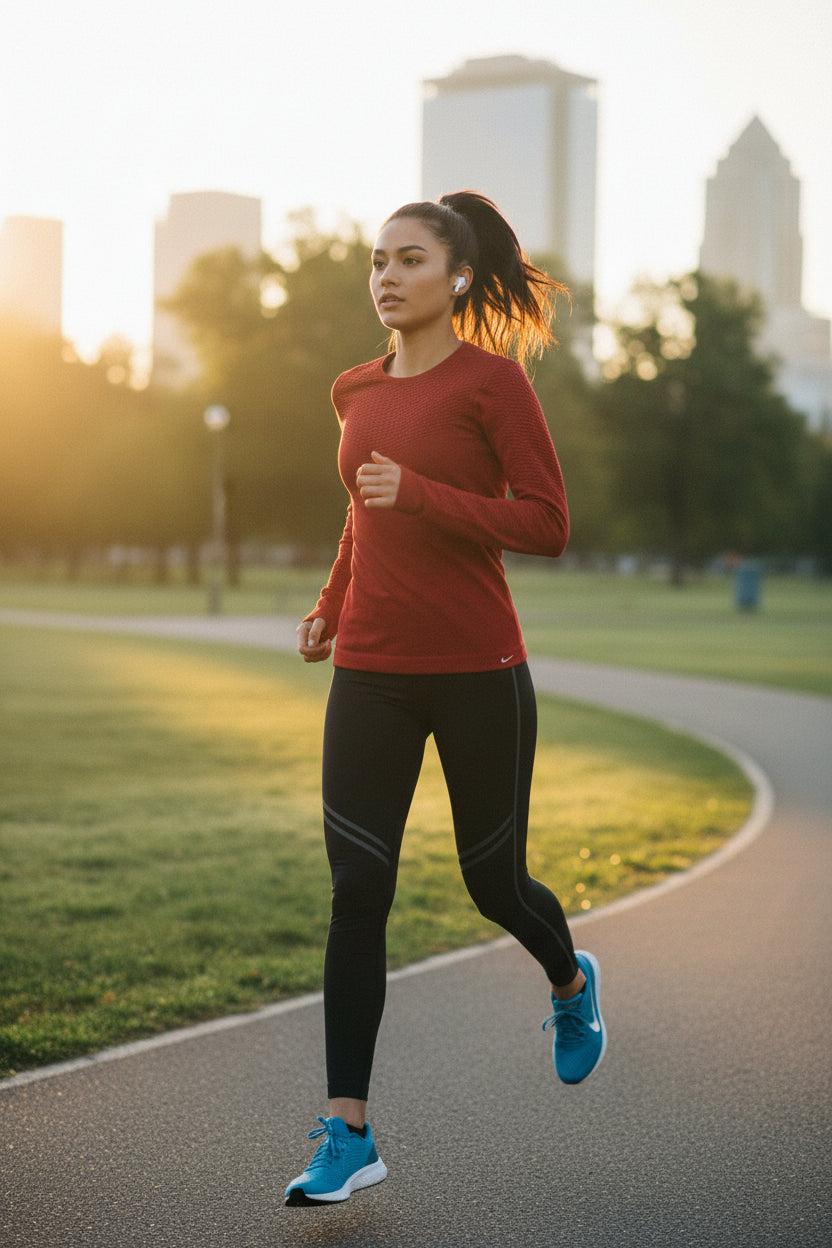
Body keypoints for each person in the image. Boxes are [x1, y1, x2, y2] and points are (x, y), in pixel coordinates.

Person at [285, 191, 606, 1208]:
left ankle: (570, 981)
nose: (386, 276)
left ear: (459, 277)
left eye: (409, 259)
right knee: (356, 892)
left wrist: (424, 495)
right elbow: (361, 513)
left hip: (479, 672)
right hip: (369, 674)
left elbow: (548, 523)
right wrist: (331, 605)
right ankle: (348, 1133)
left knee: (492, 883)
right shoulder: (353, 389)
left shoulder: (493, 384)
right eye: (377, 260)